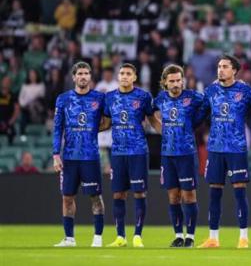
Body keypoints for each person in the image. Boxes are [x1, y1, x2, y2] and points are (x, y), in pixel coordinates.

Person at [197, 55, 251, 249]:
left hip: (236, 148)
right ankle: (213, 238)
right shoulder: (211, 90)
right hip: (215, 148)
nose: (220, 70)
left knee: (239, 192)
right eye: (219, 66)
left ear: (234, 70)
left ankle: (243, 237)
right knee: (214, 193)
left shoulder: (245, 90)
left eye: (225, 66)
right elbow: (200, 115)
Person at [52, 62, 108, 247]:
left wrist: (94, 130)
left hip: (90, 156)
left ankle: (98, 238)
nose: (83, 77)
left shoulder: (99, 98)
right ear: (74, 77)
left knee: (96, 197)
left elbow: (109, 119)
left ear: (90, 77)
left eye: (86, 73)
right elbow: (57, 128)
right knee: (67, 197)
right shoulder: (63, 99)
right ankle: (69, 239)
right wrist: (55, 154)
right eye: (80, 74)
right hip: (69, 157)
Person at [103, 63, 159, 248]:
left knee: (139, 193)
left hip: (138, 151)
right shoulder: (110, 98)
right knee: (118, 194)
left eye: (128, 73)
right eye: (122, 73)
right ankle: (120, 236)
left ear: (134, 77)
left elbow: (152, 121)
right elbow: (106, 123)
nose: (125, 76)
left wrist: (169, 132)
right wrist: (86, 129)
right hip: (117, 152)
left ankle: (137, 235)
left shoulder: (143, 97)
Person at [153, 64, 205, 248]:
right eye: (172, 81)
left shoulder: (192, 97)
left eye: (178, 80)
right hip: (167, 154)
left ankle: (190, 237)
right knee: (173, 196)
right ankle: (178, 235)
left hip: (187, 153)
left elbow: (207, 106)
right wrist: (160, 129)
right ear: (165, 83)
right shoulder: (160, 99)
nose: (176, 84)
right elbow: (150, 114)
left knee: (189, 195)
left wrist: (195, 123)